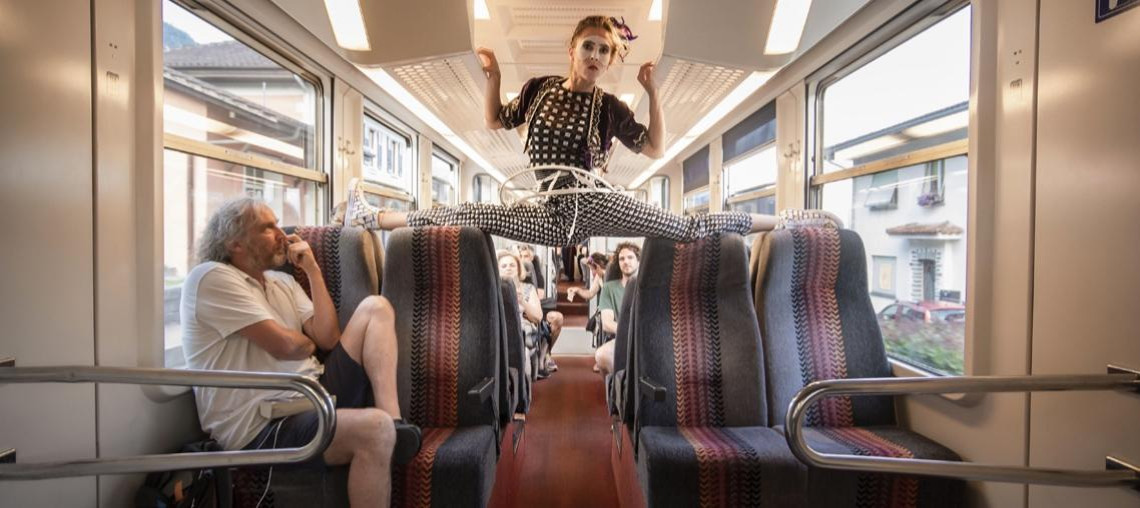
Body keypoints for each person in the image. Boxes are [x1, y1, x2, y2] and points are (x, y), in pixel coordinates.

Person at [343, 15, 784, 246]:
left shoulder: (609, 107)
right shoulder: (538, 89)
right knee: (467, 213)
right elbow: (495, 120)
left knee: (685, 228)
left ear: (610, 61)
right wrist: (494, 77)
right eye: (588, 46)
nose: (595, 56)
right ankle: (373, 219)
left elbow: (654, 148)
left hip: (593, 204)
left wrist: (653, 92)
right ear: (572, 49)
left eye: (604, 51)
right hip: (547, 211)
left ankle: (780, 221)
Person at [181, 198, 420, 507]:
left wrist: (312, 270)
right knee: (375, 430)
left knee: (376, 307)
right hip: (263, 424)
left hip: (313, 393)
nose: (281, 234)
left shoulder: (281, 282)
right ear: (234, 243)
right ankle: (387, 428)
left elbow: (328, 338)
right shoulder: (212, 277)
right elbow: (287, 346)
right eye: (268, 227)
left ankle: (396, 422)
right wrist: (306, 345)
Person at [517, 244, 565, 373]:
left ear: (532, 257)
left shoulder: (534, 276)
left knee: (556, 318)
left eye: (526, 256)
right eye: (521, 256)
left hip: (534, 308)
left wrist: (525, 304)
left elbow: (539, 296)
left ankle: (547, 353)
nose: (523, 259)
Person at [497, 250, 545, 378]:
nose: (508, 268)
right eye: (504, 266)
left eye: (512, 265)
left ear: (518, 269)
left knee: (523, 350)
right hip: (500, 329)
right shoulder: (493, 289)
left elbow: (538, 317)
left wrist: (522, 301)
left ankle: (522, 385)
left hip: (523, 331)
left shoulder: (528, 288)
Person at [594, 242, 639, 375]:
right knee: (601, 355)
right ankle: (614, 386)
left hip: (645, 339)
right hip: (621, 338)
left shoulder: (647, 288)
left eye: (630, 257)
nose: (626, 262)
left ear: (638, 261)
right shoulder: (609, 288)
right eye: (622, 259)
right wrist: (631, 333)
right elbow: (607, 324)